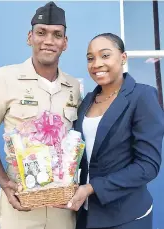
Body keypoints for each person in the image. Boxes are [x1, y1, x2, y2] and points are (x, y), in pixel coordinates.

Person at [0, 2, 81, 229]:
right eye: (41, 32)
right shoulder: (6, 77)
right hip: (20, 203)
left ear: (65, 42)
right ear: (29, 37)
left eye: (57, 35)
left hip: (62, 209)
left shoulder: (73, 86)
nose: (48, 41)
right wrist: (5, 184)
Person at [66, 33, 164, 229]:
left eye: (105, 55)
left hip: (125, 215)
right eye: (90, 58)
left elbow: (148, 166)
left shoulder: (142, 96)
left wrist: (92, 188)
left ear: (123, 58)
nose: (96, 64)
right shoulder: (86, 101)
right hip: (86, 213)